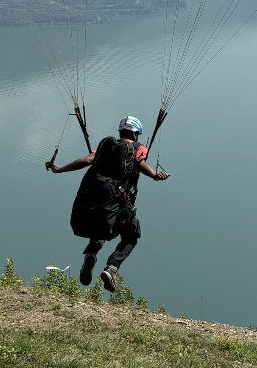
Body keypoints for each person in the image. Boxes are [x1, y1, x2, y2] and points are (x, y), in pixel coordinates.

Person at [46, 117, 169, 290]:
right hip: (118, 199)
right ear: (135, 134)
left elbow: (86, 160)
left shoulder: (105, 145)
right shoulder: (138, 148)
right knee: (131, 237)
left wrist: (58, 169)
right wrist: (155, 175)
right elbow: (140, 163)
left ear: (120, 132)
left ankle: (90, 254)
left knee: (100, 230)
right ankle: (111, 268)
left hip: (95, 197)